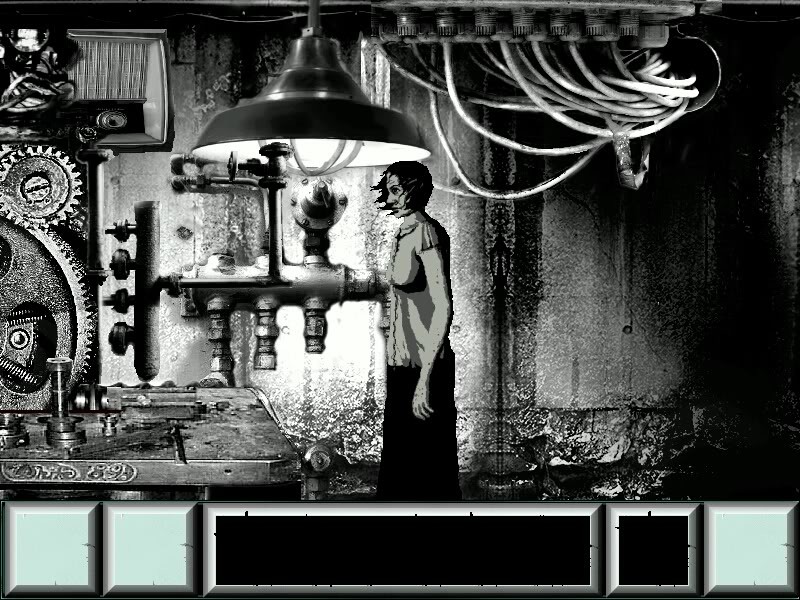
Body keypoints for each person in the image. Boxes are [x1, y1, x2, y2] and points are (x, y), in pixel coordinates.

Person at [372, 161, 462, 500]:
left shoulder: (426, 233)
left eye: (397, 190)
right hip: (401, 366)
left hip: (425, 366)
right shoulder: (404, 232)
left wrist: (425, 381)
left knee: (429, 469)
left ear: (416, 190)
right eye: (388, 190)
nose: (390, 198)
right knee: (399, 466)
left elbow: (443, 305)